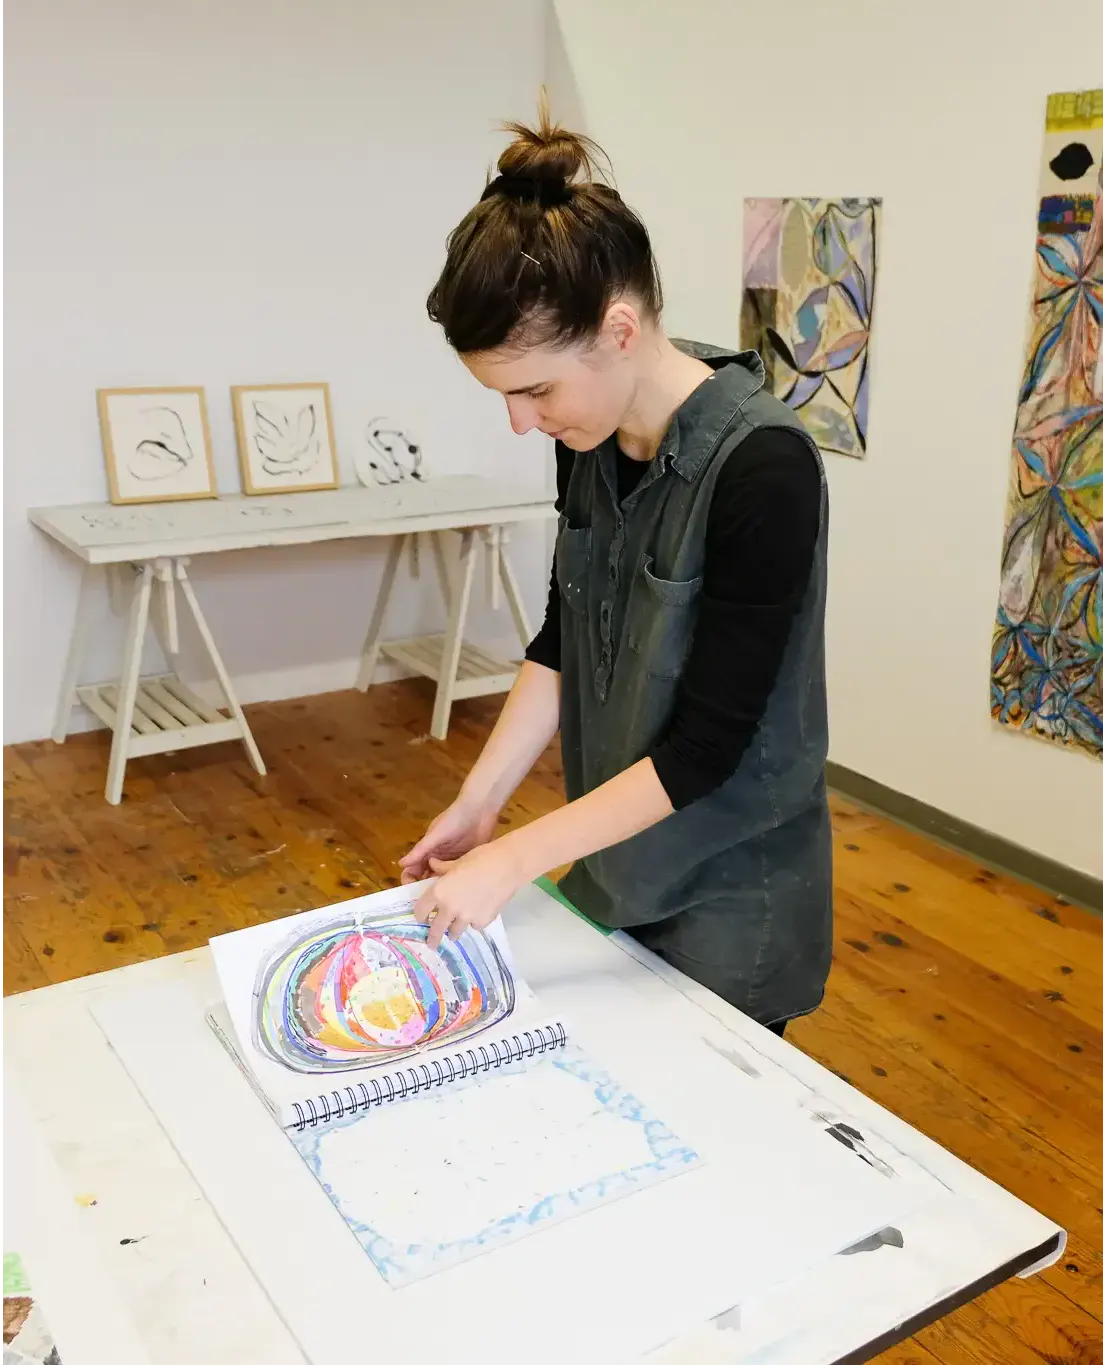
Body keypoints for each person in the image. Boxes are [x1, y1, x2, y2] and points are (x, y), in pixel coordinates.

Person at [401, 100, 832, 1036]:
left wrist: (513, 861)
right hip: (613, 854)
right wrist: (477, 808)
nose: (522, 421)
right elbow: (562, 634)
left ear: (621, 328)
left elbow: (705, 748)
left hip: (730, 883)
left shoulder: (763, 467)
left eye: (534, 389)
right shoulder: (587, 435)